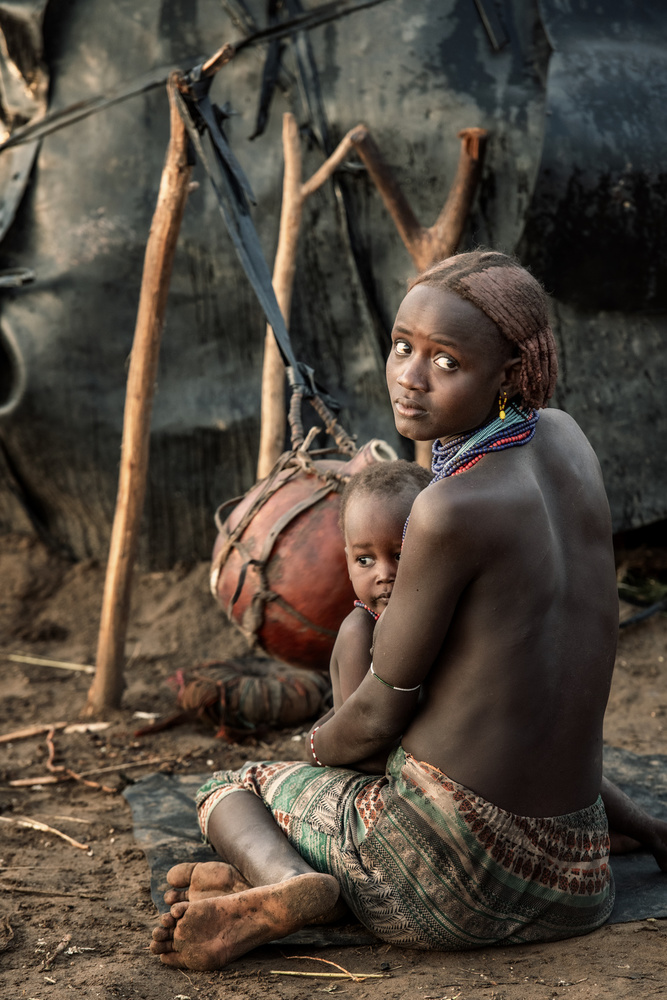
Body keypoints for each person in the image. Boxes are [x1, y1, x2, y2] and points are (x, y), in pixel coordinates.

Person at [151, 251, 667, 971]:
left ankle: (291, 882)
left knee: (230, 787)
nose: (408, 376)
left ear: (509, 373)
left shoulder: (445, 510)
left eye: (445, 361)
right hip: (577, 877)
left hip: (448, 886)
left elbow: (376, 719)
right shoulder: (566, 439)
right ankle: (643, 830)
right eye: (402, 347)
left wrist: (315, 756)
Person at [331, 460, 432, 714]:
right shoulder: (359, 632)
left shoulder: (432, 617)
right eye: (364, 560)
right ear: (348, 561)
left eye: (400, 555)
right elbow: (362, 731)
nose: (384, 575)